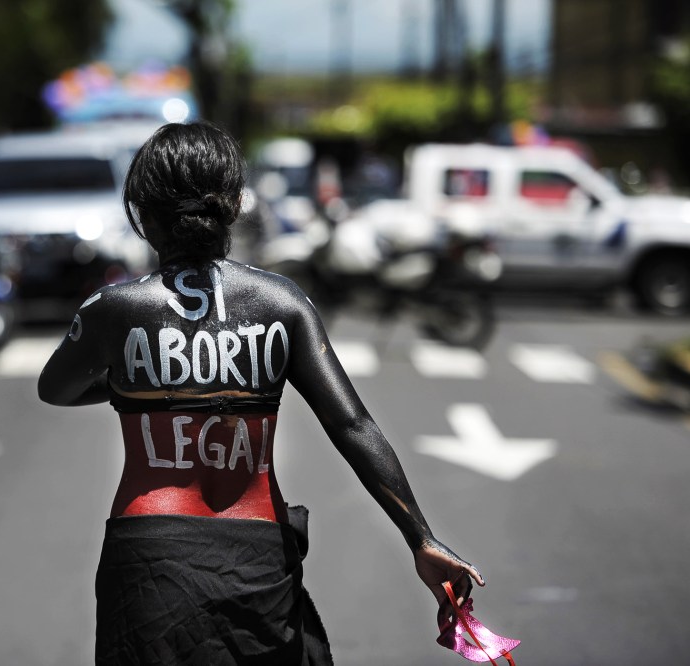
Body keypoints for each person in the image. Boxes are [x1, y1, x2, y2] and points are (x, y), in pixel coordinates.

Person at [38, 121, 483, 665]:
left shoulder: (112, 310)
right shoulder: (283, 302)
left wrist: (135, 385)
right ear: (230, 207)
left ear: (144, 213)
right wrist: (422, 538)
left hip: (148, 559)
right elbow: (352, 425)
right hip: (256, 558)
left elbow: (55, 388)